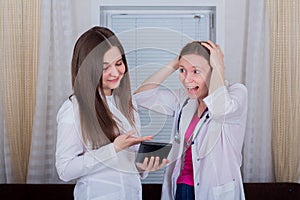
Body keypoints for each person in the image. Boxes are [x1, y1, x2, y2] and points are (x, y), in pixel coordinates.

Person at [55, 26, 166, 200]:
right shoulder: (73, 108)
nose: (115, 72)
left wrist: (144, 166)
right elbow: (65, 170)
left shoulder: (128, 103)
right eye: (104, 67)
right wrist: (113, 149)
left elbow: (128, 166)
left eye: (119, 63)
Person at [134, 40, 248, 200]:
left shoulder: (236, 93)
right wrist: (176, 62)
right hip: (182, 188)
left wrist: (219, 68)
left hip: (215, 191)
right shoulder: (184, 99)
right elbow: (141, 97)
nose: (187, 79)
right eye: (182, 71)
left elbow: (219, 110)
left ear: (213, 70)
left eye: (196, 71)